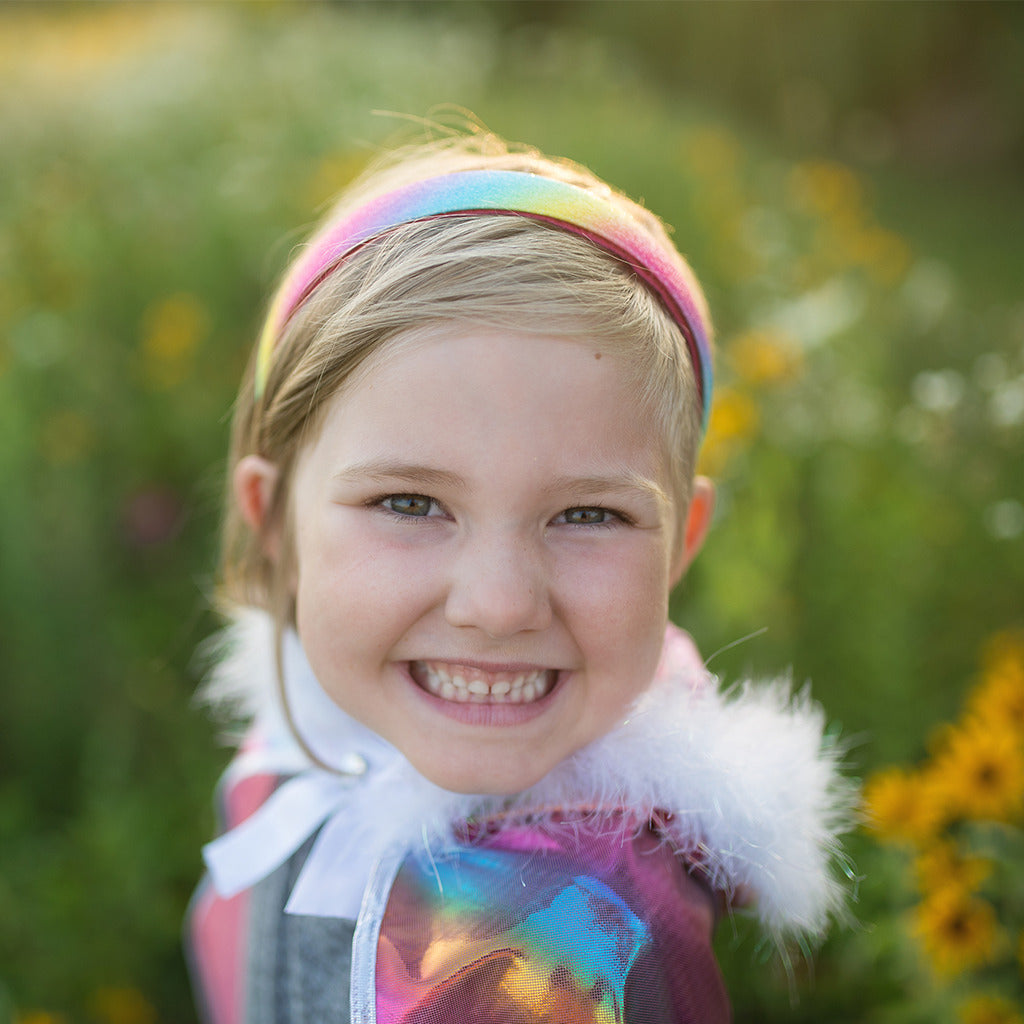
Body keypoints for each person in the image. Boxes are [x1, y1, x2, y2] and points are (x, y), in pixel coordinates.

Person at [185, 127, 852, 1024]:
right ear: (275, 526)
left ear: (680, 543)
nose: (498, 605)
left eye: (588, 516)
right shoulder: (311, 746)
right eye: (410, 504)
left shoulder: (575, 957)